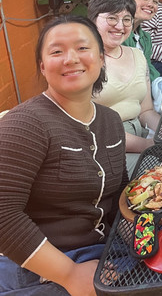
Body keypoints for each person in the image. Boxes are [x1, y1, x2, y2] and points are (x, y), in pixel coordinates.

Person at [0, 15, 128, 295]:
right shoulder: (26, 123)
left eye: (83, 48)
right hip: (41, 266)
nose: (71, 58)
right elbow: (3, 213)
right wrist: (69, 275)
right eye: (57, 51)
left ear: (101, 58)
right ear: (43, 67)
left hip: (109, 251)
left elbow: (120, 191)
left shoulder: (110, 120)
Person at [87, 0, 159, 174]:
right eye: (112, 18)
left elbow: (146, 110)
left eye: (127, 19)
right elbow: (93, 128)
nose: (120, 26)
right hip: (105, 148)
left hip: (140, 135)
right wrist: (150, 146)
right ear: (93, 20)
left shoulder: (137, 55)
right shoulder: (84, 62)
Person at [124, 0, 162, 111]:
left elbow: (148, 67)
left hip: (148, 90)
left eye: (155, 1)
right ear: (129, 0)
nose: (151, 4)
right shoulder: (119, 35)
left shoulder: (145, 38)